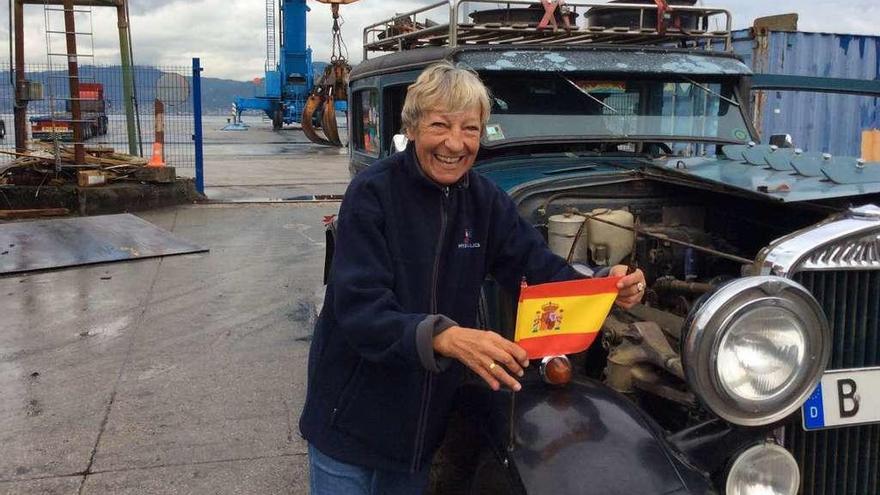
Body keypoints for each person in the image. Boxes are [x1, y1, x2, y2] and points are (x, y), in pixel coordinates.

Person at [299, 62, 646, 494]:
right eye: (440, 126)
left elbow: (538, 271)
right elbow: (360, 309)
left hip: (418, 433)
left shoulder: (487, 203)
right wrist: (445, 336)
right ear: (412, 127)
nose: (455, 144)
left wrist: (603, 283)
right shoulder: (372, 195)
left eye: (470, 129)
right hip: (351, 422)